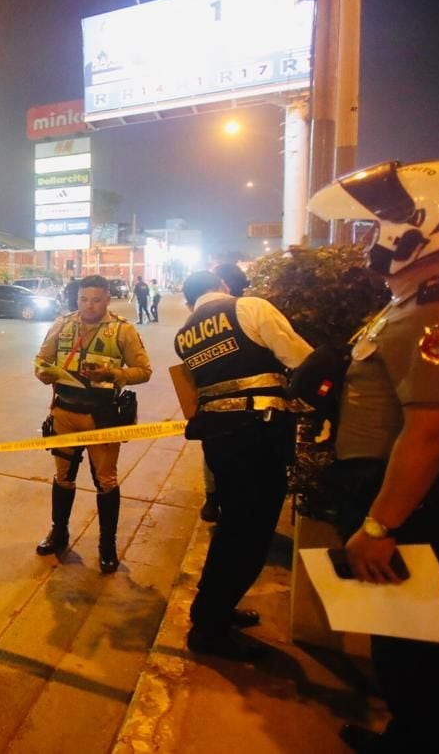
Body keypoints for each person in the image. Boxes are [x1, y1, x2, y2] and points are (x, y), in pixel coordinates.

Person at [309, 159, 439, 753]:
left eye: (378, 227)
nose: (371, 240)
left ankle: (426, 742)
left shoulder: (437, 313)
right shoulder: (414, 302)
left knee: (415, 654)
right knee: (403, 643)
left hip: (416, 510)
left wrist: (379, 526)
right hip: (406, 501)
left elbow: (428, 434)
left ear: (420, 230)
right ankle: (412, 736)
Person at [174, 270, 312, 661]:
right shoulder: (249, 308)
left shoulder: (183, 335)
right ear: (223, 287)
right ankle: (209, 626)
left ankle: (215, 608)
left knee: (234, 527)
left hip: (220, 441)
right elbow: (302, 360)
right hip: (258, 435)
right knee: (250, 533)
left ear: (189, 302)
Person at [33, 274, 152, 573]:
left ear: (107, 300)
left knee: (106, 481)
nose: (89, 305)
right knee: (63, 477)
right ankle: (59, 532)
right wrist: (43, 373)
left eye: (96, 300)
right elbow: (41, 360)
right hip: (65, 413)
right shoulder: (62, 325)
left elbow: (144, 370)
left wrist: (111, 374)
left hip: (103, 417)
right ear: (77, 299)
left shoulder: (122, 330)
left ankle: (107, 545)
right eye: (84, 299)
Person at [195, 262, 252, 522]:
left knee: (214, 450)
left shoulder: (207, 318)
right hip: (250, 411)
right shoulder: (249, 310)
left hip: (218, 407)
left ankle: (214, 498)